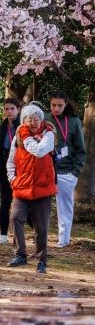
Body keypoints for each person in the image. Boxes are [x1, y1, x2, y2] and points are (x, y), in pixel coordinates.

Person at [5, 103, 57, 273]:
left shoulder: (49, 133)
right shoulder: (18, 136)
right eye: (28, 119)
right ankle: (20, 255)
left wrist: (28, 139)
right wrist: (13, 179)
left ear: (41, 120)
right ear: (23, 120)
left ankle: (42, 260)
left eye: (36, 119)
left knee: (41, 228)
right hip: (22, 188)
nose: (32, 122)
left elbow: (40, 151)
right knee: (15, 218)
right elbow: (11, 160)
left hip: (43, 189)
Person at [46, 91, 86, 248]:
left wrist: (75, 173)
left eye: (59, 105)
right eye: (53, 105)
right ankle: (41, 236)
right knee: (41, 206)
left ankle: (63, 240)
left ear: (66, 104)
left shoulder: (74, 121)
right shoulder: (45, 119)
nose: (56, 108)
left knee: (65, 208)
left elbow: (80, 150)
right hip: (47, 170)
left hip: (66, 172)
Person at [0, 98, 21, 245]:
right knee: (4, 200)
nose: (9, 112)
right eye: (6, 109)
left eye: (12, 109)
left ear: (18, 109)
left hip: (18, 168)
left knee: (15, 201)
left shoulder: (23, 127)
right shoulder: (2, 127)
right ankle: (2, 233)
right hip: (3, 167)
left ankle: (36, 232)